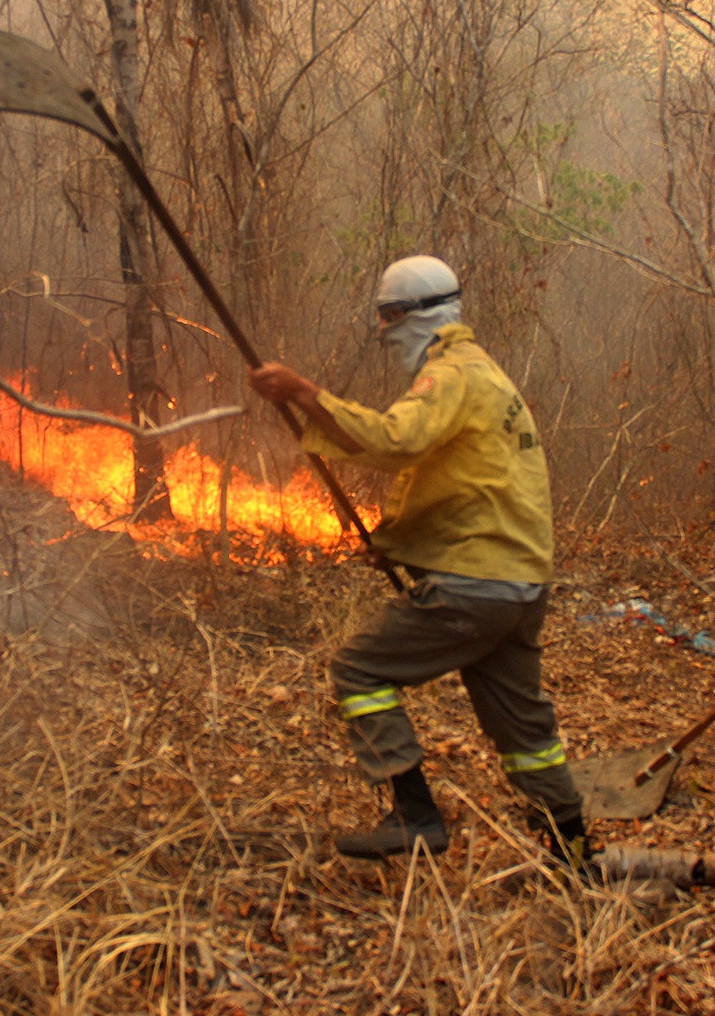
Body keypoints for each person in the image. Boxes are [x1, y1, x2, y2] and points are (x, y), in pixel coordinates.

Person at [246, 255, 588, 867]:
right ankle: (577, 857)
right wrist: (396, 544)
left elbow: (394, 440)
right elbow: (456, 480)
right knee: (525, 734)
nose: (383, 330)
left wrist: (303, 393)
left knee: (359, 670)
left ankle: (415, 814)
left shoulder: (451, 374)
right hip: (520, 586)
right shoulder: (484, 375)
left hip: (477, 585)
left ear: (411, 313)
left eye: (388, 316)